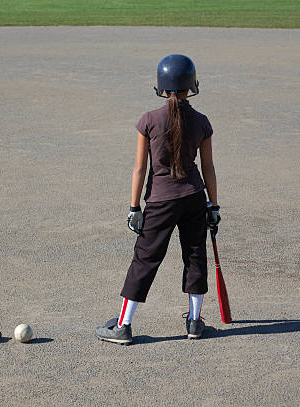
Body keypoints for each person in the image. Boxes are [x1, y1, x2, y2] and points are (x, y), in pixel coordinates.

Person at [95, 54, 221, 345]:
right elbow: (208, 168)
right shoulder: (202, 121)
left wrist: (134, 207)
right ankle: (194, 323)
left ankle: (123, 326)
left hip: (160, 201)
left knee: (146, 258)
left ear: (161, 87)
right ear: (192, 85)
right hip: (193, 197)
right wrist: (213, 205)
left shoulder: (149, 120)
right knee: (195, 256)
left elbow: (140, 168)